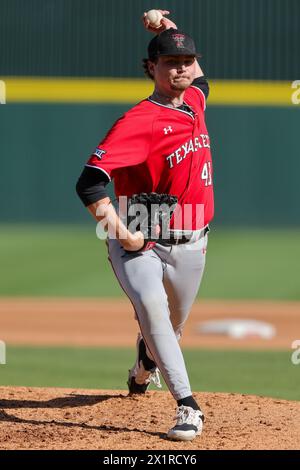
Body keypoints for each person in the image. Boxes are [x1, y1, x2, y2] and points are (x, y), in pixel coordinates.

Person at [76, 10, 214, 441]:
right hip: (141, 235)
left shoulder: (193, 99)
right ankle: (188, 406)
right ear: (150, 68)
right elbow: (90, 182)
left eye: (186, 61)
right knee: (152, 310)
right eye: (171, 62)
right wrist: (122, 233)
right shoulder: (139, 120)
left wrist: (169, 32)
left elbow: (202, 80)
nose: (181, 68)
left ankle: (144, 364)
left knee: (170, 326)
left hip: (193, 238)